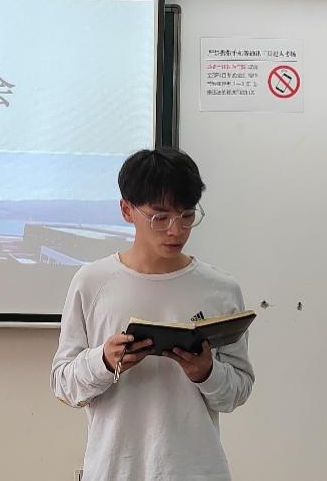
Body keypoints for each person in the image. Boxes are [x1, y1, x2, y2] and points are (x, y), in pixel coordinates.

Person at [50, 147, 254, 480]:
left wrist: (207, 372)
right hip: (115, 470)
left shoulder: (221, 289)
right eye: (160, 217)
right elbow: (63, 384)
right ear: (126, 210)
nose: (176, 230)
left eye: (187, 215)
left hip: (196, 470)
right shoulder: (92, 282)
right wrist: (103, 361)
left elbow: (239, 390)